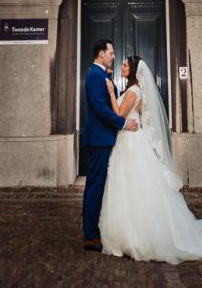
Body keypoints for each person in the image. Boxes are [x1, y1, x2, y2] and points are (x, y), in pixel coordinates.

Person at [97, 55, 202, 263]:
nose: (121, 66)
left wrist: (112, 93)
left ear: (132, 70)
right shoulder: (132, 90)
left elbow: (120, 115)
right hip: (126, 142)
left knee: (134, 188)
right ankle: (125, 236)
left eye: (125, 65)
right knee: (126, 188)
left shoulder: (133, 92)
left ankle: (139, 238)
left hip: (131, 144)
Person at [82, 39, 137, 252]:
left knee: (96, 185)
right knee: (95, 187)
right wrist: (123, 123)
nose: (114, 56)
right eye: (111, 52)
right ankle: (90, 236)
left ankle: (93, 230)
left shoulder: (103, 75)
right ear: (101, 54)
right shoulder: (95, 76)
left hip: (104, 139)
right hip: (98, 139)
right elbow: (99, 109)